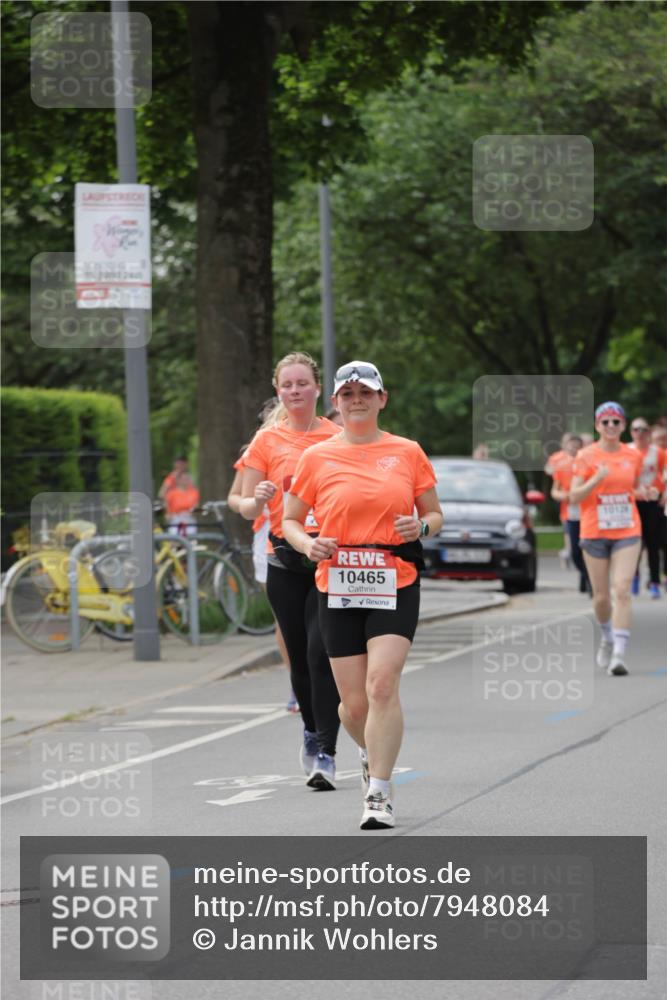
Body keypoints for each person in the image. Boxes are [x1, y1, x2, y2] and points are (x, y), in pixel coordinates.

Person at [283, 361, 443, 829]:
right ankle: (370, 752)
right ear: (335, 401)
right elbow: (291, 520)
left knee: (382, 685)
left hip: (395, 577)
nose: (357, 400)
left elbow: (435, 514)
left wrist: (423, 526)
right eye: (348, 393)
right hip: (338, 583)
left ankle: (380, 793)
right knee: (353, 707)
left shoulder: (407, 451)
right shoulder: (315, 458)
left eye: (366, 393)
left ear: (382, 399)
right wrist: (307, 543)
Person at [240, 352, 341, 788]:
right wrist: (258, 497)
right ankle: (310, 731)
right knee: (299, 657)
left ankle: (326, 750)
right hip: (284, 556)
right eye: (287, 385)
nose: (295, 391)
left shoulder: (339, 436)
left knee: (324, 654)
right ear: (279, 390)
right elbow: (244, 504)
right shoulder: (266, 440)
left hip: (329, 556)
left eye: (303, 383)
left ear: (317, 388)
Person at [228, 399, 298, 712]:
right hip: (269, 537)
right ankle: (297, 682)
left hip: (312, 535)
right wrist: (253, 500)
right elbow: (236, 497)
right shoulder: (258, 450)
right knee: (285, 617)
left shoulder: (315, 444)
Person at [569, 402, 646, 677]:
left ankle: (619, 654)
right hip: (594, 532)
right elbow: (575, 496)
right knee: (602, 598)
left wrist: (642, 492)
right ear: (597, 426)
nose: (611, 426)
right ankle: (607, 637)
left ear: (623, 426)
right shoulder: (586, 456)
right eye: (606, 422)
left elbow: (630, 487)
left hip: (627, 530)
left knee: (622, 589)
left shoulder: (632, 455)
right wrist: (596, 480)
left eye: (616, 421)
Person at [628, 416, 664, 599]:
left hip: (652, 503)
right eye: (636, 429)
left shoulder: (657, 452)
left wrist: (664, 492)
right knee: (634, 544)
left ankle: (655, 582)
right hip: (632, 503)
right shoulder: (626, 450)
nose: (640, 433)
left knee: (653, 545)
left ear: (649, 433)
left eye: (643, 429)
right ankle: (633, 578)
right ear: (631, 432)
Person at [550, 434, 590, 594]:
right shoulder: (562, 466)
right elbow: (555, 490)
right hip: (571, 513)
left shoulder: (588, 465)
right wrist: (564, 496)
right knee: (574, 551)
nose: (573, 450)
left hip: (587, 512)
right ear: (565, 448)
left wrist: (580, 494)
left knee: (588, 547)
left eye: (577, 447)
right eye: (570, 447)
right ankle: (585, 573)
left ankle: (589, 578)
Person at [158, 456, 200, 536]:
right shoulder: (171, 478)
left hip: (188, 516)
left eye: (182, 464)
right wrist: (167, 512)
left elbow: (195, 497)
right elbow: (162, 494)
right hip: (176, 515)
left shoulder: (189, 480)